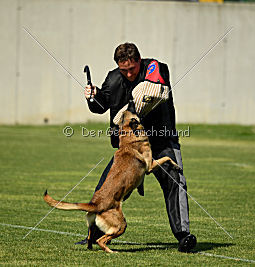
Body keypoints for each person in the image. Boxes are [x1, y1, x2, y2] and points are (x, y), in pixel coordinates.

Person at [80, 43, 196, 252]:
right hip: (129, 150)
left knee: (175, 180)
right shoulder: (113, 78)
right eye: (123, 70)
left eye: (132, 69)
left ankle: (183, 236)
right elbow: (100, 106)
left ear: (139, 60)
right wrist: (93, 95)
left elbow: (157, 80)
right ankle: (94, 235)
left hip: (161, 140)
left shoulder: (154, 67)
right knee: (106, 189)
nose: (129, 73)